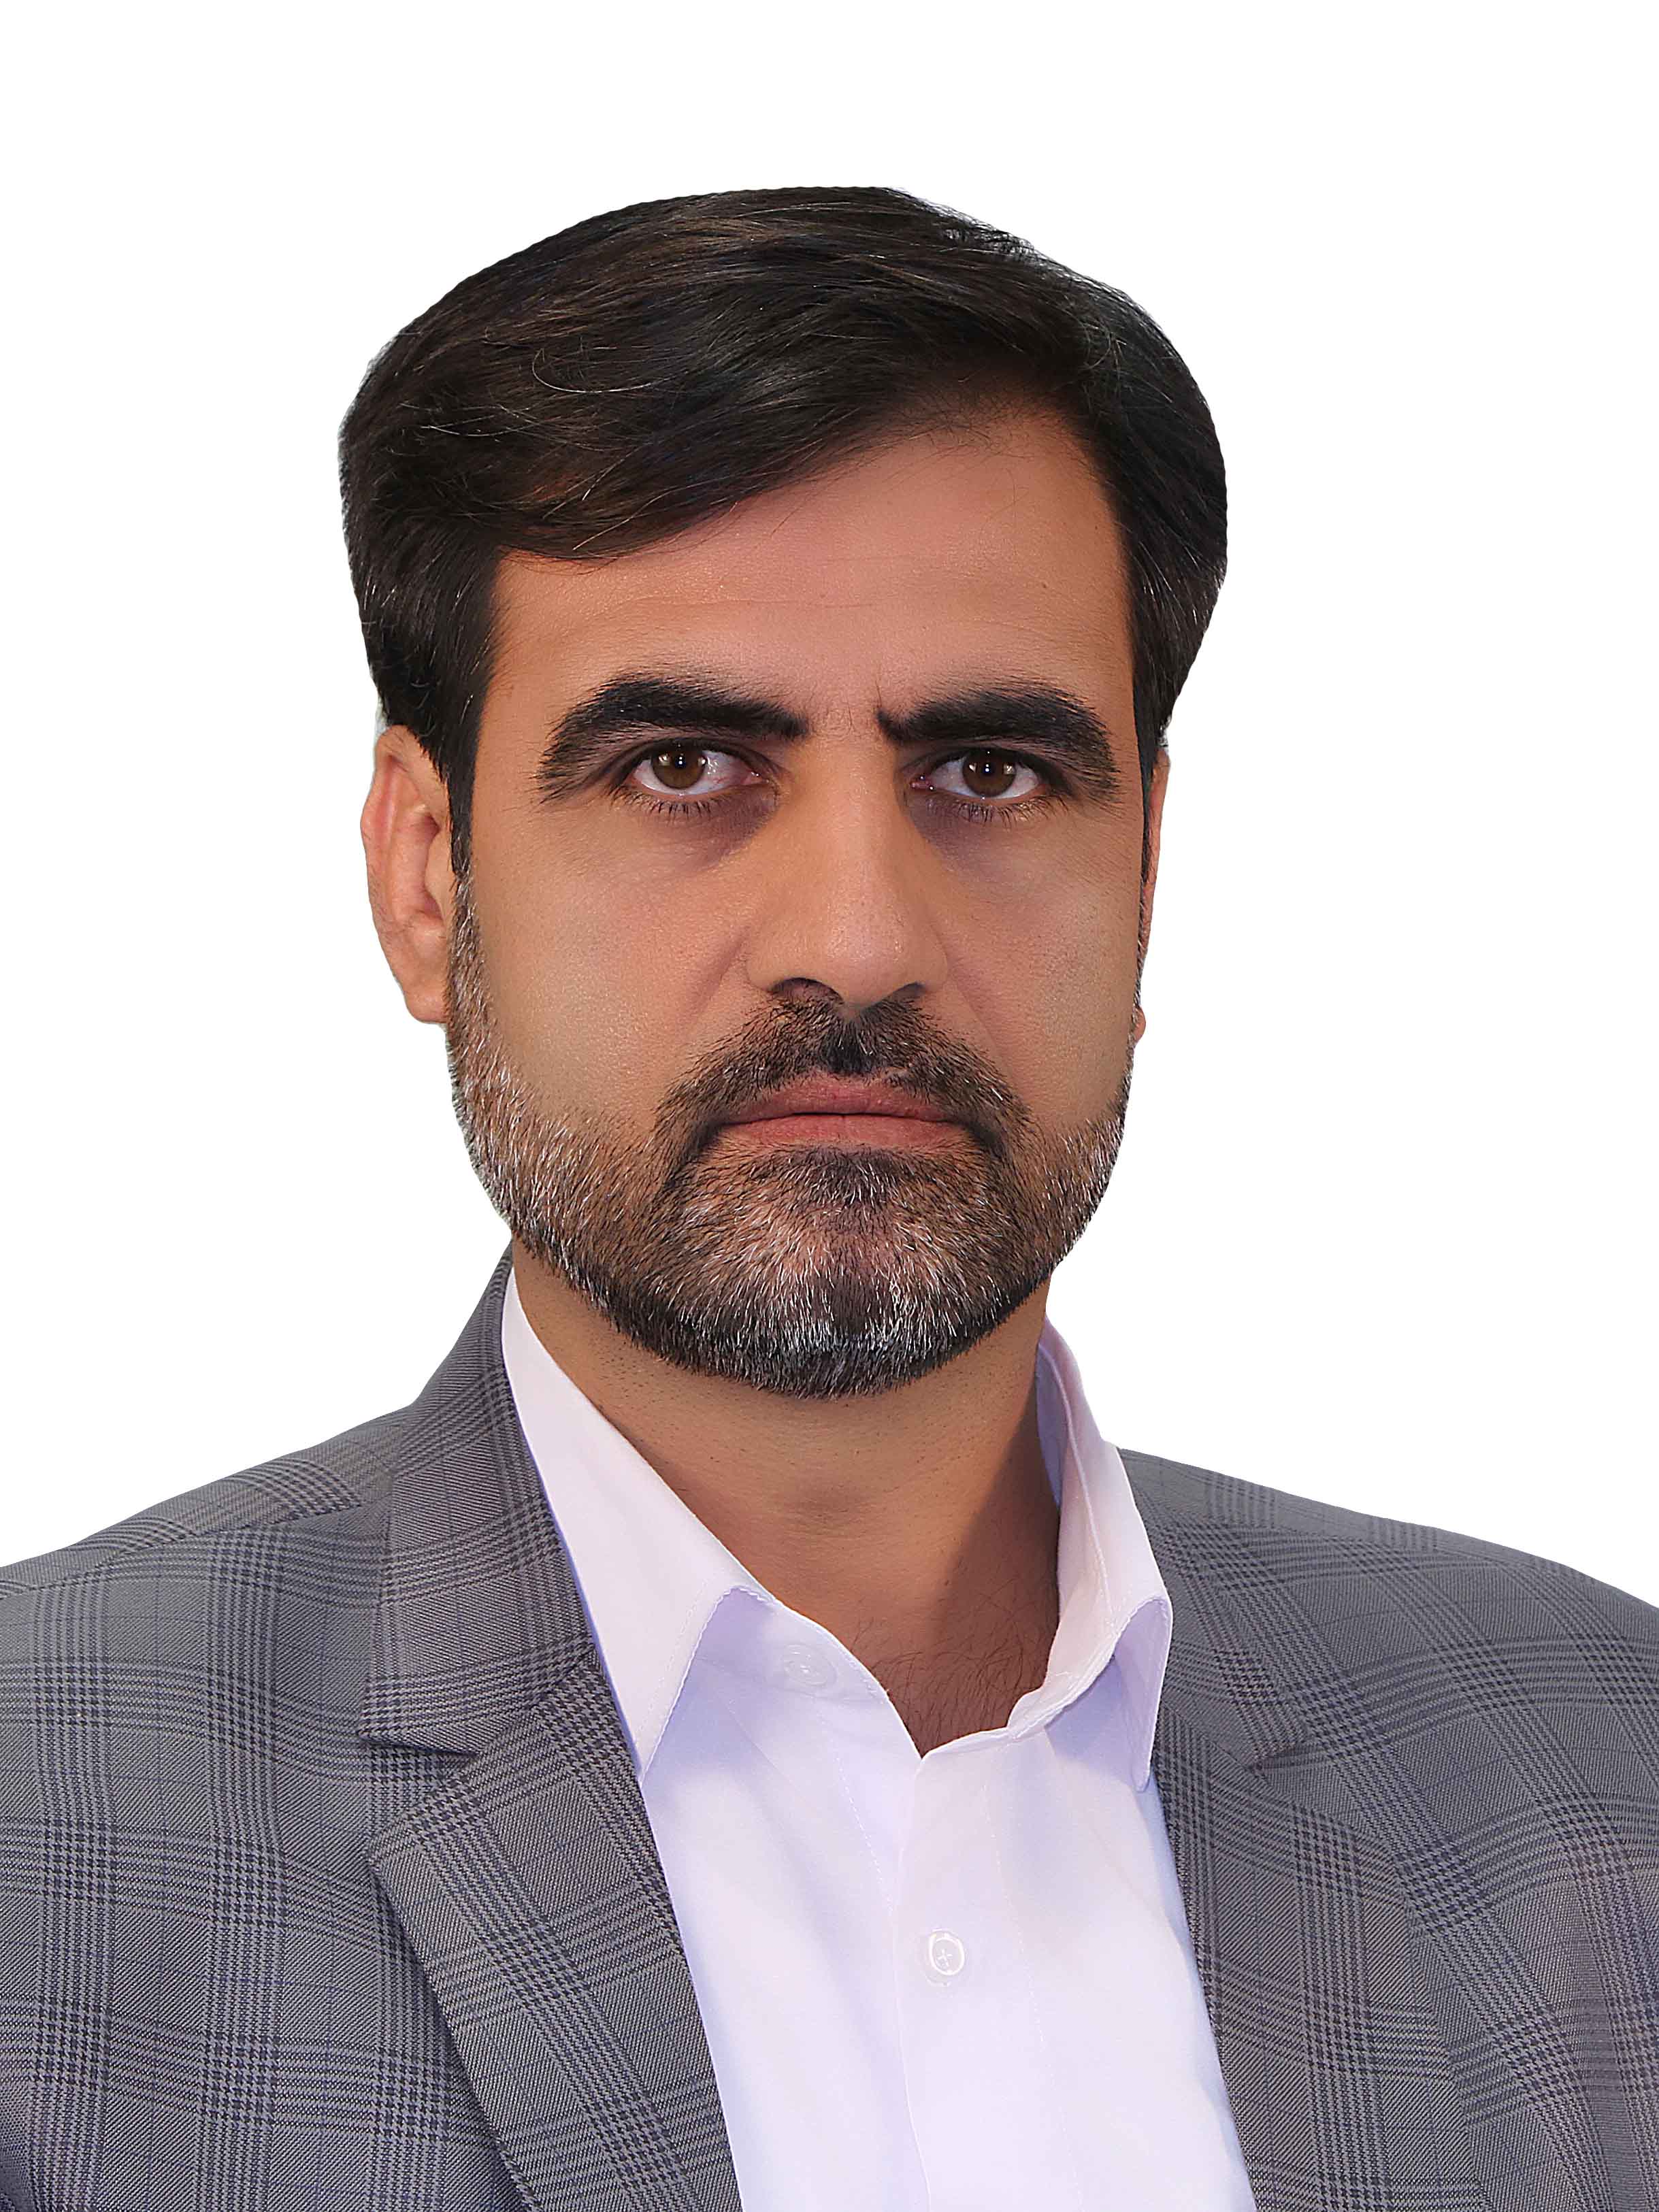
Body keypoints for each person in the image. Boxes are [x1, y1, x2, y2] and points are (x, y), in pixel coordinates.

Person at [1, 185, 1654, 2212]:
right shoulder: (48, 1831)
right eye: (684, 768)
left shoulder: (1603, 1778)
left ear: (1146, 870)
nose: (859, 939)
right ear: (427, 875)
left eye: (991, 771)